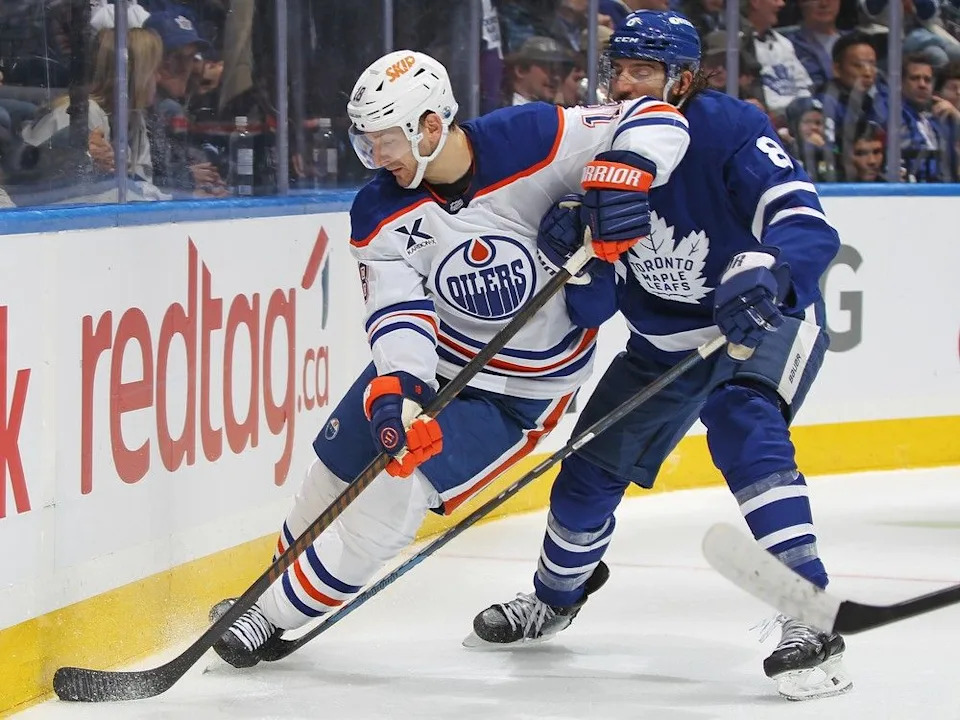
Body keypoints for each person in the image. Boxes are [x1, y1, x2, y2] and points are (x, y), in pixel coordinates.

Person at [209, 47, 692, 669]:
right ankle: (269, 596)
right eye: (367, 142)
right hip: (432, 364)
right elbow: (399, 311)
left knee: (396, 492)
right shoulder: (378, 209)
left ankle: (267, 616)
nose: (376, 158)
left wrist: (625, 169)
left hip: (515, 393)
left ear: (432, 127)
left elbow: (656, 117)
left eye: (386, 141)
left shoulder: (536, 137)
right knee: (331, 473)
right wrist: (399, 389)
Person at [467, 10, 850, 702]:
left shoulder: (729, 130)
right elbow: (596, 305)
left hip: (764, 317)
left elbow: (804, 221)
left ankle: (811, 616)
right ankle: (556, 598)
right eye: (617, 71)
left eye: (641, 72)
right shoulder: (598, 144)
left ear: (681, 79)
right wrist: (577, 260)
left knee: (743, 424)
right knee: (585, 470)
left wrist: (770, 269)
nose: (624, 85)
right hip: (666, 340)